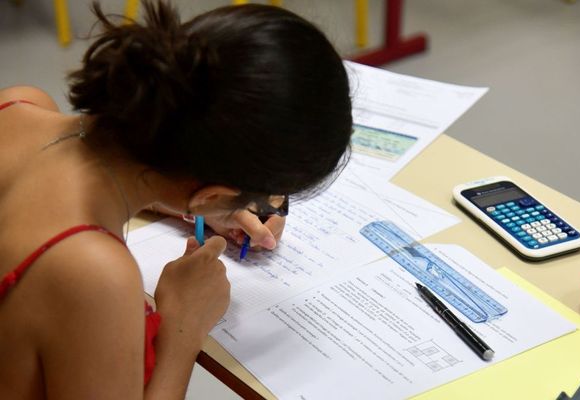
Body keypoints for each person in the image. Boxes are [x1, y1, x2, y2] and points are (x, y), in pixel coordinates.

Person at [0, 0, 352, 398]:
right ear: (211, 194)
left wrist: (178, 204)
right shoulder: (94, 275)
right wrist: (183, 325)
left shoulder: (19, 105)